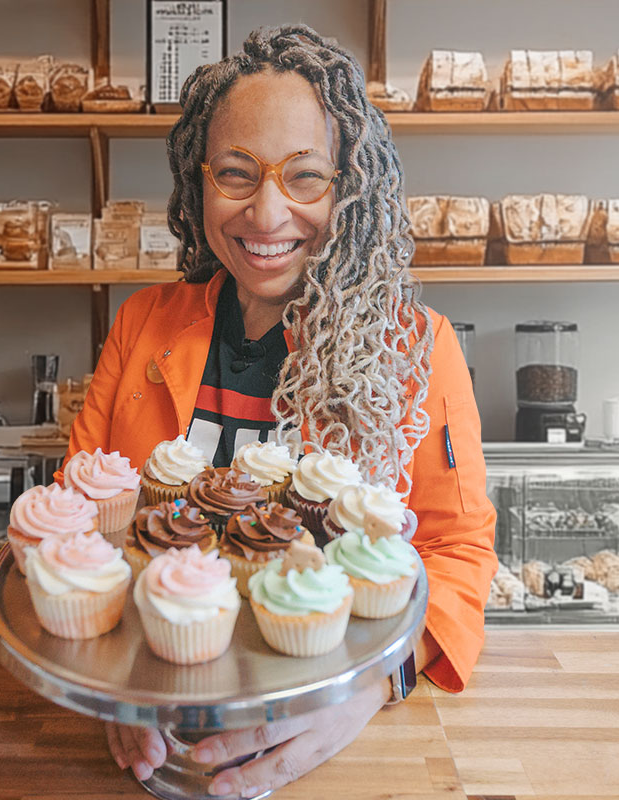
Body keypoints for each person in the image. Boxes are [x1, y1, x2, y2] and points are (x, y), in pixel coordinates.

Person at [59, 24, 497, 797]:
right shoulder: (141, 326)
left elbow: (457, 553)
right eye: (236, 173)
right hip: (155, 737)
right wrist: (110, 677)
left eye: (305, 179)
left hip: (339, 753)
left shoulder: (414, 348)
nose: (266, 215)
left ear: (351, 184)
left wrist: (370, 689)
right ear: (198, 183)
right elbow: (80, 525)